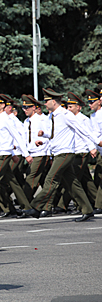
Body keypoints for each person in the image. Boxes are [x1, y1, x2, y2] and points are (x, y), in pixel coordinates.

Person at [22, 88, 100, 222]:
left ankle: (36, 207)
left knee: (50, 179)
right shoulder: (52, 116)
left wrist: (97, 142)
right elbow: (54, 133)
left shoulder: (66, 114)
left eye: (47, 101)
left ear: (53, 101)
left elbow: (82, 130)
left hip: (66, 153)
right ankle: (87, 209)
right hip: (57, 153)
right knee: (72, 183)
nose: (45, 104)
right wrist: (44, 136)